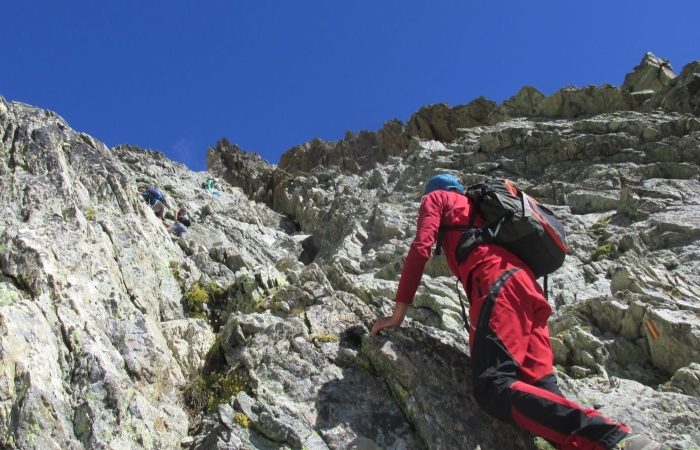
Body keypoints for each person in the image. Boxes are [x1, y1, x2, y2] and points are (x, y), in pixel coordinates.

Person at [371, 174, 662, 450]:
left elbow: (421, 248)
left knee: (493, 386)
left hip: (498, 284)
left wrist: (397, 315)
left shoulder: (436, 198)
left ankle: (614, 437)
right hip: (528, 289)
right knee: (542, 391)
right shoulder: (481, 211)